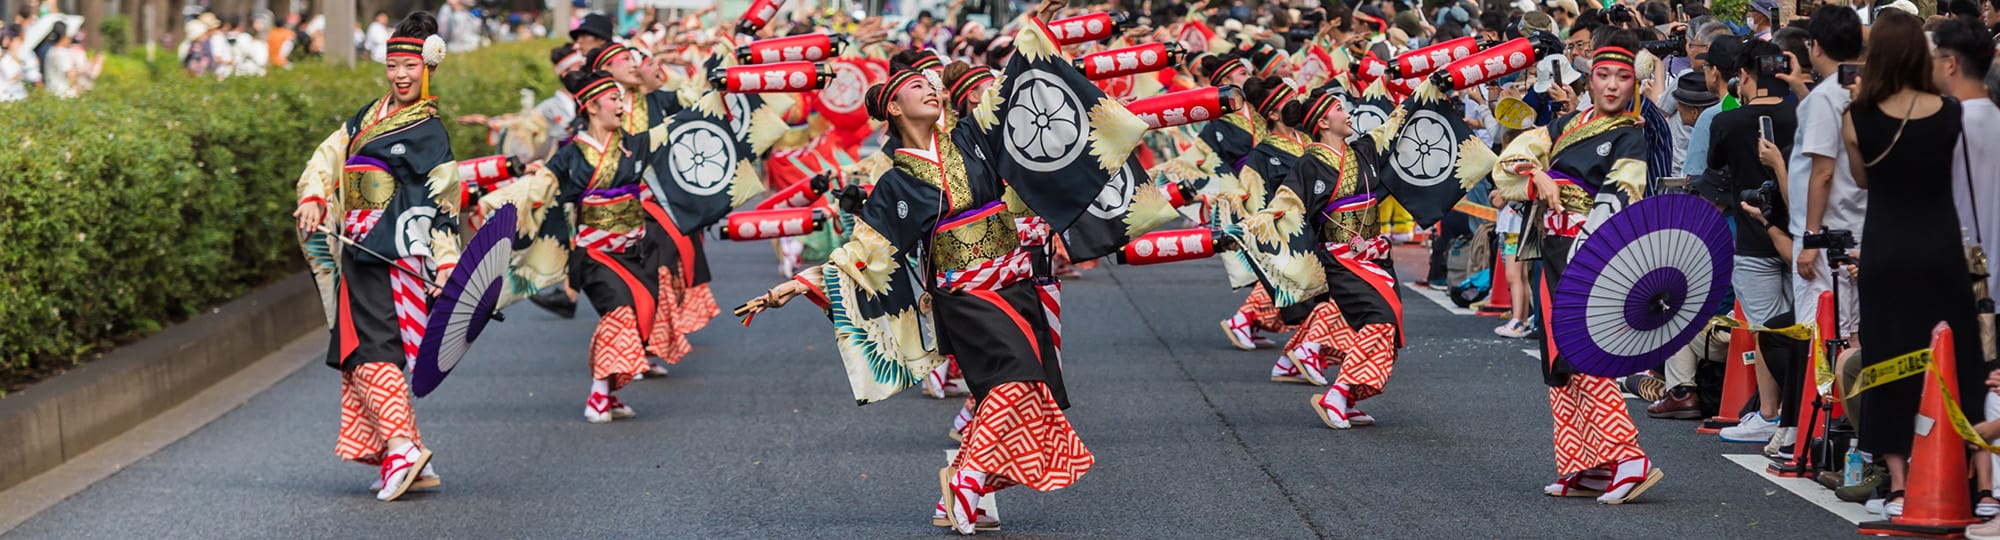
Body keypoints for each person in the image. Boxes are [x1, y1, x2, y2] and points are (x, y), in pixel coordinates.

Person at [737, 0, 1124, 532]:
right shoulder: (894, 182)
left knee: (1028, 396)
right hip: (964, 297)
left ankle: (958, 483)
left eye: (931, 83)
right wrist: (799, 282)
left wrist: (1037, 29)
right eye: (915, 86)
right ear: (893, 108)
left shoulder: (971, 139)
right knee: (1014, 382)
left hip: (1013, 281)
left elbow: (1011, 90)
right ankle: (967, 487)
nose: (930, 88)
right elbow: (866, 251)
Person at [290, 12, 457, 502]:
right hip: (357, 247)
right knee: (360, 345)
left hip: (394, 247)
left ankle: (401, 447)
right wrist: (315, 197)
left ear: (427, 68)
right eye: (392, 66)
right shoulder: (367, 116)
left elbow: (442, 199)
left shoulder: (430, 130)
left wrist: (445, 261)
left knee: (368, 347)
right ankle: (401, 453)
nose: (401, 75)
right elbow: (327, 157)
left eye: (409, 66)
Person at [1491, 29, 1662, 504]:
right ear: (1589, 79)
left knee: (1584, 354)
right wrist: (1539, 175)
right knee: (1557, 361)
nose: (1611, 85)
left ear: (1635, 84)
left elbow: (1622, 197)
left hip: (1590, 253)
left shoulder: (1632, 134)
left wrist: (1590, 254)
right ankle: (1585, 463)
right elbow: (1508, 161)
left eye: (1622, 78)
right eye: (1603, 75)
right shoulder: (1566, 124)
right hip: (1551, 246)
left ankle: (1628, 457)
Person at [1840, 9, 1986, 519]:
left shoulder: (1855, 115)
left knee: (1885, 361)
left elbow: (1861, 180)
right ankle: (1964, 476)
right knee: (1954, 355)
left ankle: (1900, 485)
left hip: (1885, 249)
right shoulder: (1949, 111)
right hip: (1941, 248)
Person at [537, 68, 693, 423]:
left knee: (641, 320)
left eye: (621, 99)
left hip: (635, 249)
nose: (621, 106)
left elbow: (680, 130)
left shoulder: (635, 143)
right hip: (593, 254)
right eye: (613, 100)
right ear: (592, 108)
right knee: (619, 312)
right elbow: (546, 197)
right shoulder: (571, 154)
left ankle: (611, 391)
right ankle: (598, 393)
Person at [1708, 38, 1806, 450]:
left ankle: (1770, 413)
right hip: (1805, 236)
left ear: (1742, 75)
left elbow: (1714, 168)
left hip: (1754, 236)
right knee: (1804, 326)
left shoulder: (1727, 123)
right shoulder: (1805, 112)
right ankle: (1798, 410)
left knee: (1767, 328)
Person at [1934, 17, 2000, 523]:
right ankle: (1989, 489)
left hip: (1971, 274)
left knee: (1977, 380)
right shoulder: (1997, 119)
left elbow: (1948, 210)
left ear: (1952, 64)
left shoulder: (1950, 126)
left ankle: (1982, 489)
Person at [1787, 7, 1865, 381]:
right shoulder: (1867, 86)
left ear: (1815, 46)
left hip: (1827, 233)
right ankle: (1851, 422)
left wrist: (1810, 239)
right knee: (1850, 330)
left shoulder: (1826, 97)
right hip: (1859, 223)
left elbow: (1822, 172)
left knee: (1824, 331)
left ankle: (1824, 425)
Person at [1221, 76, 1304, 354]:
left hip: (1306, 222)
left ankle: (1253, 324)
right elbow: (1251, 196)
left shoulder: (1305, 139)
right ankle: (1243, 319)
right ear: (1272, 113)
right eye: (1288, 100)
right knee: (1289, 281)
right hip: (1282, 227)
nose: (1296, 103)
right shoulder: (1263, 153)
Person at [0, 24, 26, 101]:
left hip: (15, 96)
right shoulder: (6, 58)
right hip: (8, 96)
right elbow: (12, 76)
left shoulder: (9, 56)